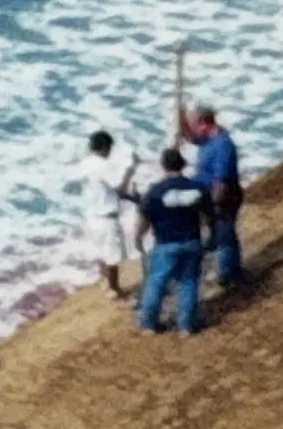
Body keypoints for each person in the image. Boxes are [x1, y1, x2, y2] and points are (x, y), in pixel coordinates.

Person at [132, 148, 211, 335]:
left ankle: (149, 325)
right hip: (192, 241)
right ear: (182, 165)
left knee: (156, 283)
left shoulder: (154, 192)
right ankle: (186, 326)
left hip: (165, 244)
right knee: (188, 282)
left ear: (163, 166)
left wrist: (138, 240)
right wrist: (210, 237)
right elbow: (209, 218)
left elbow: (143, 223)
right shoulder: (198, 188)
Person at [182, 104, 244, 292]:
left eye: (191, 124)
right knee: (219, 234)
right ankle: (230, 270)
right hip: (209, 197)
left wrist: (215, 206)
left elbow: (221, 182)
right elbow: (189, 137)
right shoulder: (207, 139)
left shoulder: (222, 145)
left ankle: (227, 276)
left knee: (225, 236)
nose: (189, 129)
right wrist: (179, 116)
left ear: (202, 123)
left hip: (224, 198)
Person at [72, 129, 135, 300]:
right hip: (106, 215)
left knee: (102, 252)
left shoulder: (84, 164)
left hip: (91, 215)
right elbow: (119, 187)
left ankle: (106, 282)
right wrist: (130, 170)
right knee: (112, 256)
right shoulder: (102, 165)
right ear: (105, 147)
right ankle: (114, 289)